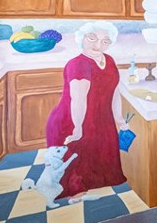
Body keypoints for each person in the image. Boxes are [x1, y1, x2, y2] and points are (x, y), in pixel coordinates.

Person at [44, 21, 127, 203]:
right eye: (92, 38)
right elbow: (78, 99)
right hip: (73, 119)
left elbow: (114, 90)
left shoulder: (109, 60)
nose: (98, 45)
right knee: (76, 169)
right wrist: (77, 127)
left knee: (99, 166)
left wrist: (119, 118)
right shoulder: (78, 64)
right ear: (81, 38)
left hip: (99, 119)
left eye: (105, 41)